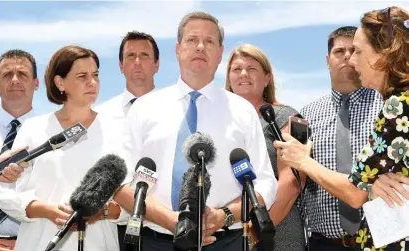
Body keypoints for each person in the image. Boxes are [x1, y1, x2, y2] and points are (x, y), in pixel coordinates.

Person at [114, 11, 278, 251]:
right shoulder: (144, 108)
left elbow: (264, 183)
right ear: (178, 49)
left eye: (209, 41)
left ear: (221, 53)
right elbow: (121, 182)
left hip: (225, 241)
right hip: (155, 240)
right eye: (192, 40)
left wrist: (223, 216)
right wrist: (170, 221)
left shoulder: (243, 111)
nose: (200, 47)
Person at [274, 6, 409, 250]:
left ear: (382, 54)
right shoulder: (399, 102)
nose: (351, 60)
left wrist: (303, 160)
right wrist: (370, 183)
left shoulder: (397, 106)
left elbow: (354, 193)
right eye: (342, 51)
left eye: (357, 51)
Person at [0, 45, 124, 250]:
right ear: (60, 82)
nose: (92, 83)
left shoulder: (118, 129)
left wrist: (103, 211)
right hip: (40, 243)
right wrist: (46, 210)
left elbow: (134, 200)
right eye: (82, 76)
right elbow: (6, 191)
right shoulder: (34, 128)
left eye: (96, 75)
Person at [224, 43, 305, 251]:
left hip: (278, 232)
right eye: (237, 69)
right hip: (226, 233)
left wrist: (254, 233)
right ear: (229, 79)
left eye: (252, 69)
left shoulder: (288, 117)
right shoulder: (218, 122)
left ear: (267, 78)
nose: (243, 74)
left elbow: (292, 182)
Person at [95, 31, 160, 251]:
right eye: (131, 56)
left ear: (157, 64)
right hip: (114, 228)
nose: (138, 62)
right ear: (121, 66)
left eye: (144, 55)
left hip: (164, 227)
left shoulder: (176, 111)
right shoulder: (99, 115)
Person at [0, 49, 39, 251]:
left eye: (22, 74)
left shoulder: (52, 134)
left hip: (35, 244)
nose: (14, 80)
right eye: (6, 75)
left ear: (36, 83)